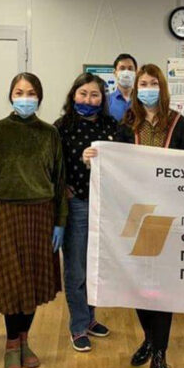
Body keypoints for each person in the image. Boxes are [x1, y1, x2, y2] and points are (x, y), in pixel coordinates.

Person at [90, 63, 184, 368]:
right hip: (135, 213)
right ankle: (149, 339)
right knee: (139, 283)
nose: (148, 88)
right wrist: (96, 157)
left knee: (162, 287)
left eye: (153, 83)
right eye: (143, 83)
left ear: (162, 87)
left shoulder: (179, 123)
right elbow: (115, 164)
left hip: (167, 215)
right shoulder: (127, 124)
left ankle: (159, 357)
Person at [0, 72, 67, 368]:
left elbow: (59, 180)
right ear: (10, 96)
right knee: (11, 282)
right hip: (5, 214)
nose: (25, 97)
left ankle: (25, 340)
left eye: (30, 93)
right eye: (19, 92)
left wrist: (60, 222)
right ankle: (11, 344)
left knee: (33, 281)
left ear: (39, 98)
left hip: (41, 215)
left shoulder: (49, 134)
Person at [54, 73, 116, 352]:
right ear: (73, 95)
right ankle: (78, 325)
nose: (88, 100)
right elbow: (53, 166)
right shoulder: (61, 127)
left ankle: (90, 318)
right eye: (83, 93)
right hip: (77, 204)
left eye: (94, 95)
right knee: (77, 268)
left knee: (96, 267)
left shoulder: (112, 126)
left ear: (102, 99)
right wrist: (63, 187)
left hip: (106, 207)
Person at [108, 53, 138, 122]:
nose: (126, 72)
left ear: (136, 73)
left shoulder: (142, 100)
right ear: (115, 73)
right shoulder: (107, 101)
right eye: (122, 68)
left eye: (130, 69)